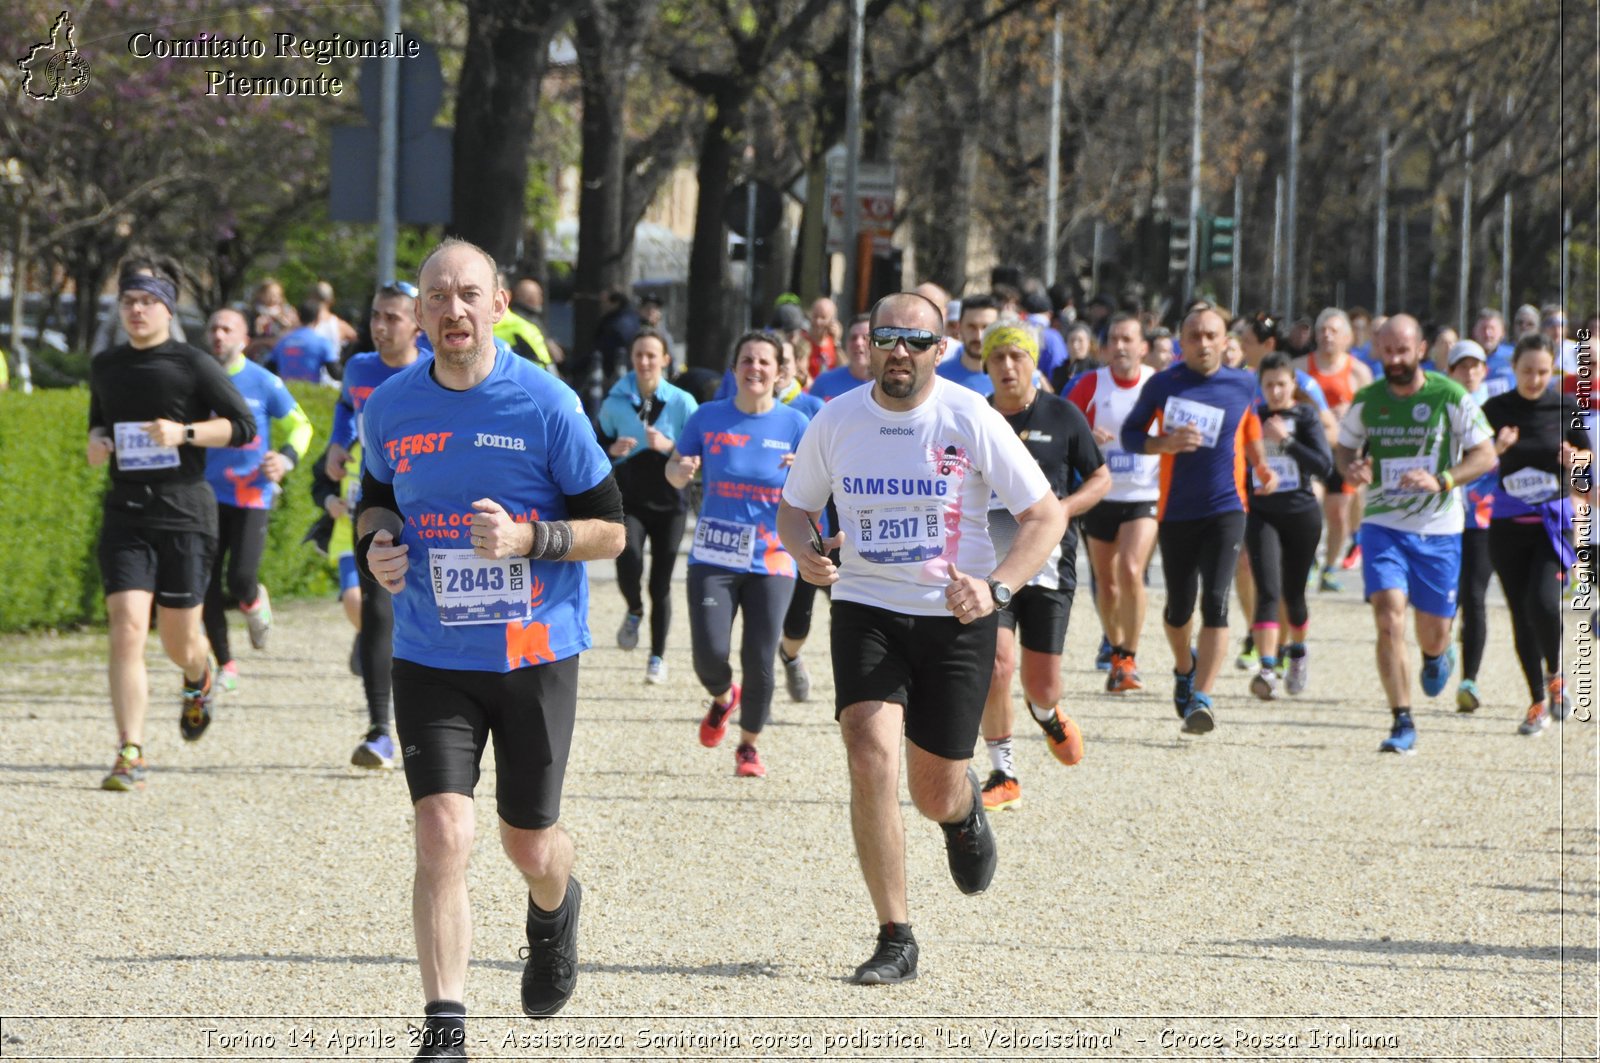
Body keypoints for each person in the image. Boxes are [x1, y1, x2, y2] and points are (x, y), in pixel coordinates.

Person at [357, 241, 624, 1055]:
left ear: (500, 304)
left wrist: (529, 537)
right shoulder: (389, 406)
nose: (452, 309)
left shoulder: (545, 403)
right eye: (437, 295)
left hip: (535, 650)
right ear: (420, 313)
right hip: (433, 652)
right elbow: (373, 506)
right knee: (442, 832)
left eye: (468, 293)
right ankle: (446, 1024)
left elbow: (611, 528)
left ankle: (555, 905)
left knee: (527, 843)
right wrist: (378, 546)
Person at [777, 291, 1064, 985]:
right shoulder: (839, 417)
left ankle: (963, 815)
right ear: (870, 343)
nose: (899, 351)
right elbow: (794, 508)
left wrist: (996, 587)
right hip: (866, 606)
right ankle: (895, 934)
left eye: (915, 340)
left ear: (941, 350)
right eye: (887, 337)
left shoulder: (969, 416)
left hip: (956, 619)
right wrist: (805, 553)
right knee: (869, 752)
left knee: (934, 789)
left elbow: (1044, 515)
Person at [87, 258, 255, 790]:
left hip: (185, 512)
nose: (137, 310)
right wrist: (97, 442)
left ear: (166, 307)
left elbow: (244, 426)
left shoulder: (193, 362)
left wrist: (184, 434)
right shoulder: (107, 365)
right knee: (126, 628)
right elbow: (99, 422)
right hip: (126, 513)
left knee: (179, 641)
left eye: (148, 301)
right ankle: (129, 751)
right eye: (129, 301)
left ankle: (197, 676)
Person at [1333, 314, 1496, 754]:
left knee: (1433, 633)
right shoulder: (1367, 399)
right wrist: (1350, 464)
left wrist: (1442, 480)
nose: (1395, 360)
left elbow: (1486, 454)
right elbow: (1344, 445)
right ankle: (1401, 720)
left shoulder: (1450, 395)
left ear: (1421, 349)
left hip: (1439, 529)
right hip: (1384, 522)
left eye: (1403, 351)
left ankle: (1434, 655)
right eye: (1387, 351)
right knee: (1388, 617)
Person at [1120, 306, 1278, 734]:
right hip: (1176, 511)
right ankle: (1184, 667)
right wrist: (1164, 444)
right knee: (1178, 608)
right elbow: (1130, 435)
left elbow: (1252, 434)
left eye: (1211, 335)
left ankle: (1203, 697)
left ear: (1226, 340)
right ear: (1182, 342)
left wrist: (1264, 468)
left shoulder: (1244, 384)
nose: (1203, 343)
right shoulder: (1163, 384)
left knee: (1217, 602)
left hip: (1228, 507)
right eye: (1194, 336)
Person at [976, 318, 1109, 810]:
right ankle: (1002, 771)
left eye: (1018, 356)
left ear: (1033, 361)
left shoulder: (1062, 415)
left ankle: (1047, 714)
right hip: (991, 566)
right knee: (996, 666)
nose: (1008, 367)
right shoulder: (975, 417)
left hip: (1050, 566)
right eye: (998, 358)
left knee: (1042, 683)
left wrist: (1061, 511)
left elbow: (1100, 477)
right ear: (986, 364)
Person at [667, 332, 809, 777]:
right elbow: (674, 470)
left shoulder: (796, 425)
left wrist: (804, 472)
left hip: (772, 558)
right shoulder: (708, 418)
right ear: (734, 369)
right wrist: (681, 470)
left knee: (759, 656)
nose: (755, 368)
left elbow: (821, 489)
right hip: (714, 554)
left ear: (780, 372)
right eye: (747, 359)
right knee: (708, 654)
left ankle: (748, 746)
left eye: (765, 362)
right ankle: (725, 695)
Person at [323, 281, 426, 768]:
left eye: (393, 318)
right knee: (378, 607)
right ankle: (380, 731)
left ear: (417, 324)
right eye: (375, 317)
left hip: (431, 505)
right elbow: (347, 408)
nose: (381, 328)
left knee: (424, 610)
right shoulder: (360, 368)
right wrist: (337, 443)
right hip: (376, 498)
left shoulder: (434, 369)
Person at [200, 308, 314, 692]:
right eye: (213, 328)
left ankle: (253, 602)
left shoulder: (264, 382)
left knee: (241, 578)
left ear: (244, 338)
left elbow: (301, 425)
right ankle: (225, 665)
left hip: (251, 493)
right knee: (206, 583)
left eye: (227, 328)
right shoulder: (197, 382)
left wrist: (285, 458)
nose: (218, 335)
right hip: (205, 494)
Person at [1481, 334, 1590, 734]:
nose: (1534, 378)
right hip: (1508, 525)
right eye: (1527, 370)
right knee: (1520, 614)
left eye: (1543, 371)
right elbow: (1473, 457)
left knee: (1543, 602)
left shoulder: (1565, 406)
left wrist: (1574, 457)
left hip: (1551, 523)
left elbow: (1586, 455)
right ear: (1514, 369)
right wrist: (1496, 447)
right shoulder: (1496, 408)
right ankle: (1536, 701)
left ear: (1553, 371)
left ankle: (1556, 673)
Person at [597, 327, 698, 683]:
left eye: (651, 355)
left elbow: (698, 452)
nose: (644, 362)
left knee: (662, 583)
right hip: (630, 499)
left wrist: (670, 447)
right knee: (629, 560)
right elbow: (595, 445)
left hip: (671, 502)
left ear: (665, 360)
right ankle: (634, 609)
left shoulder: (683, 402)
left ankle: (657, 657)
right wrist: (611, 450)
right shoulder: (614, 402)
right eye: (639, 354)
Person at [1067, 314, 1161, 691]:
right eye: (1115, 340)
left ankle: (1129, 656)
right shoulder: (1090, 384)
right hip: (1101, 492)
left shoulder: (1158, 384)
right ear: (1104, 348)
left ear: (1143, 347)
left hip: (1145, 493)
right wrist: (1088, 434)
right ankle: (1115, 647)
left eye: (1129, 339)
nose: (1121, 346)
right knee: (1106, 583)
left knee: (1131, 569)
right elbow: (1065, 427)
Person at [1243, 352, 1331, 698]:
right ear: (1260, 387)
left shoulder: (1305, 416)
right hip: (1262, 512)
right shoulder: (1253, 417)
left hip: (1301, 513)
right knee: (1267, 588)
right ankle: (1266, 668)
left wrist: (1286, 441)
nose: (1276, 391)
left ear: (1292, 384)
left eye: (1281, 384)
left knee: (1293, 595)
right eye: (1269, 385)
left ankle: (1296, 652)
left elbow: (1324, 466)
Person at [1440, 340, 1500, 713]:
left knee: (1475, 596)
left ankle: (1469, 680)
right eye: (1462, 366)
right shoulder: (1438, 408)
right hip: (1442, 514)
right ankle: (1440, 646)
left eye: (1476, 366)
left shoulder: (1498, 408)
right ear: (1451, 372)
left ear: (1485, 370)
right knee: (1449, 596)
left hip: (1483, 516)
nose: (1470, 372)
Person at [1295, 308, 1372, 593]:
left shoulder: (1359, 372)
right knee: (1311, 504)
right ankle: (1310, 560)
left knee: (1338, 513)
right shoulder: (1301, 367)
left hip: (1342, 452)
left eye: (1333, 330)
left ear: (1347, 337)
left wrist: (1350, 415)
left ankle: (1329, 567)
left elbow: (1373, 414)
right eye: (1322, 330)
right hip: (1309, 451)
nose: (1326, 335)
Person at [772, 337, 827, 699]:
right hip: (759, 527)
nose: (776, 370)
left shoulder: (815, 407)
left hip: (807, 525)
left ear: (797, 365)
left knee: (798, 620)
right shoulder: (744, 409)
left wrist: (806, 466)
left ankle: (790, 655)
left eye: (784, 362)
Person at [267, 296, 343, 385]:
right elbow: (335, 373)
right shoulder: (322, 343)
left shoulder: (282, 342)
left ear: (299, 316)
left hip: (286, 391)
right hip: (310, 393)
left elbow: (269, 369)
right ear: (318, 318)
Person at [937, 295, 999, 396]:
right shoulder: (938, 377)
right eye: (971, 327)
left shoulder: (1008, 379)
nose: (979, 336)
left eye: (986, 327)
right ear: (959, 327)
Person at [494, 274, 557, 373]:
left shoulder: (524, 328)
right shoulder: (467, 325)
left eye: (494, 291)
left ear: (506, 296)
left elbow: (543, 369)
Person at [808, 315, 874, 401]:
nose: (858, 342)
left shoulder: (887, 385)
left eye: (865, 338)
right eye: (853, 338)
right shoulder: (824, 382)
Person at [311, 280, 359, 354]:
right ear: (331, 300)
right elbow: (356, 340)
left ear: (311, 299)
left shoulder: (302, 325)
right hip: (332, 364)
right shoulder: (340, 326)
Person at [808, 296, 841, 380]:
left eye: (823, 318)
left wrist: (836, 342)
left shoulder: (834, 344)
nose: (818, 322)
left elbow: (845, 370)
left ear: (832, 321)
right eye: (815, 316)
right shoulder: (802, 341)